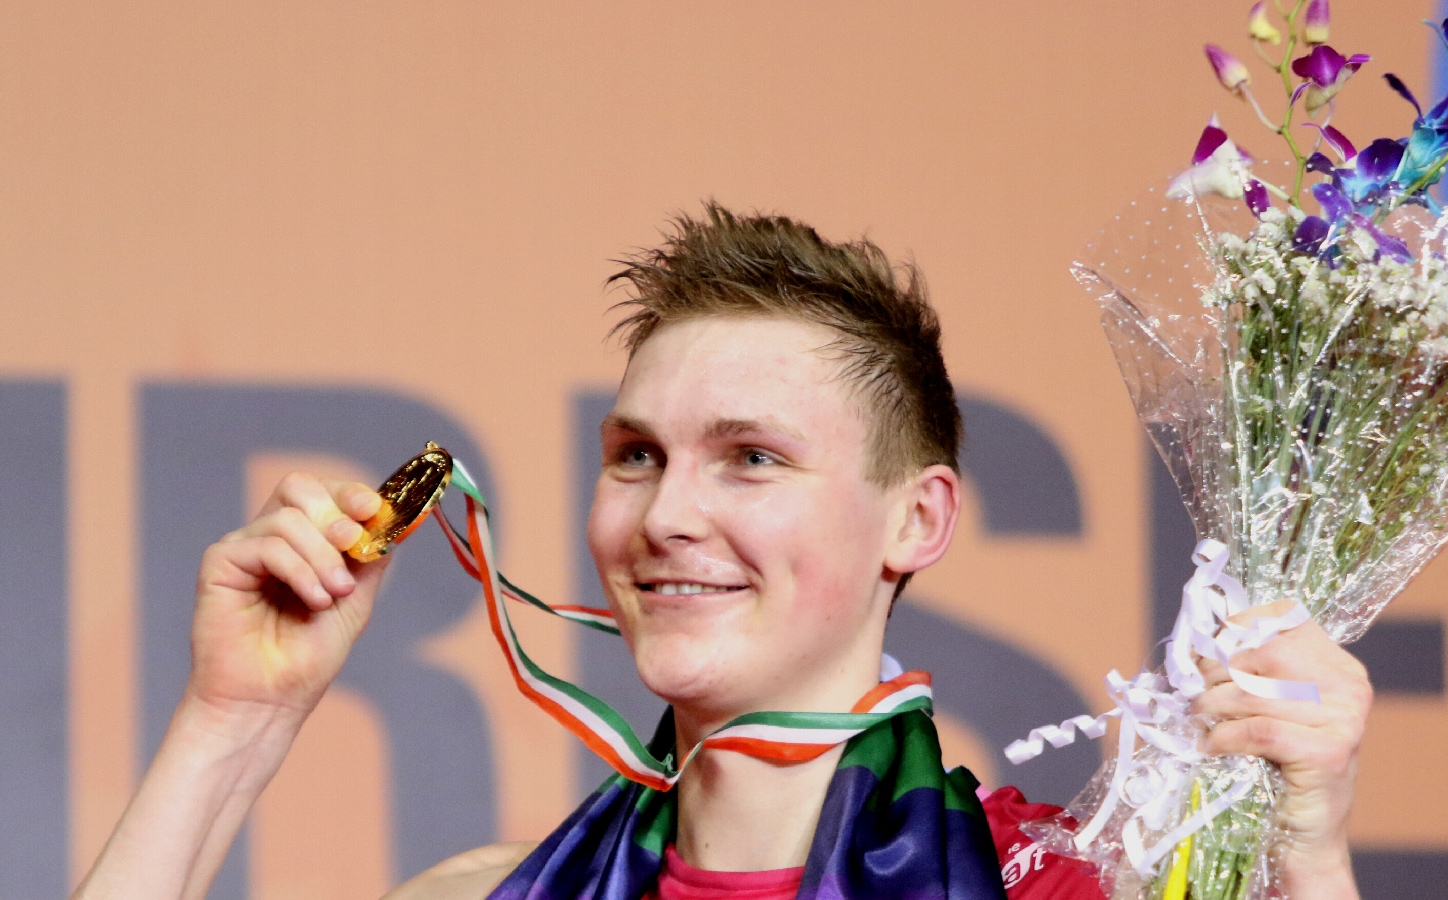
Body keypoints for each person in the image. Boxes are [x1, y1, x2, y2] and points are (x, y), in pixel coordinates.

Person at [73, 203, 1371, 900]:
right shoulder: (489, 895)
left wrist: (1307, 854)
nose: (665, 516)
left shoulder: (1050, 894)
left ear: (918, 520)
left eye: (751, 457)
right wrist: (235, 719)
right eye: (637, 454)